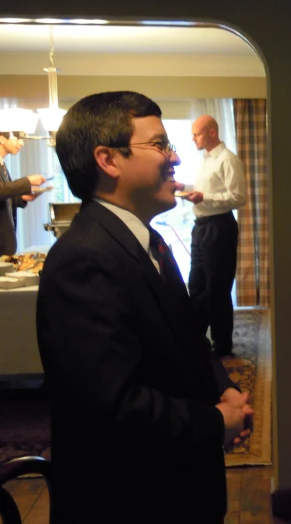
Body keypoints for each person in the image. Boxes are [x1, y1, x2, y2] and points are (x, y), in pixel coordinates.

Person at [36, 92, 253, 524]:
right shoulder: (83, 259)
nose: (173, 158)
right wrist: (214, 422)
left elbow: (186, 338)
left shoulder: (148, 240)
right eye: (160, 145)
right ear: (109, 160)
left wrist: (221, 386)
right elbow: (114, 407)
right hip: (131, 501)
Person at [175, 115, 246, 356]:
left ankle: (222, 345)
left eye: (197, 134)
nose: (193, 138)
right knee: (196, 285)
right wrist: (182, 188)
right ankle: (196, 340)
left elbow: (239, 198)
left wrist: (205, 198)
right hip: (202, 227)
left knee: (217, 287)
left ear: (212, 133)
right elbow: (205, 192)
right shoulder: (207, 161)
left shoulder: (228, 160)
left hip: (219, 227)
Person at [0, 131, 47, 255]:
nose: (21, 143)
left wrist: (22, 197)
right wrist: (28, 181)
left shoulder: (2, 165)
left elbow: (6, 194)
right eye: (16, 138)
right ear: (2, 139)